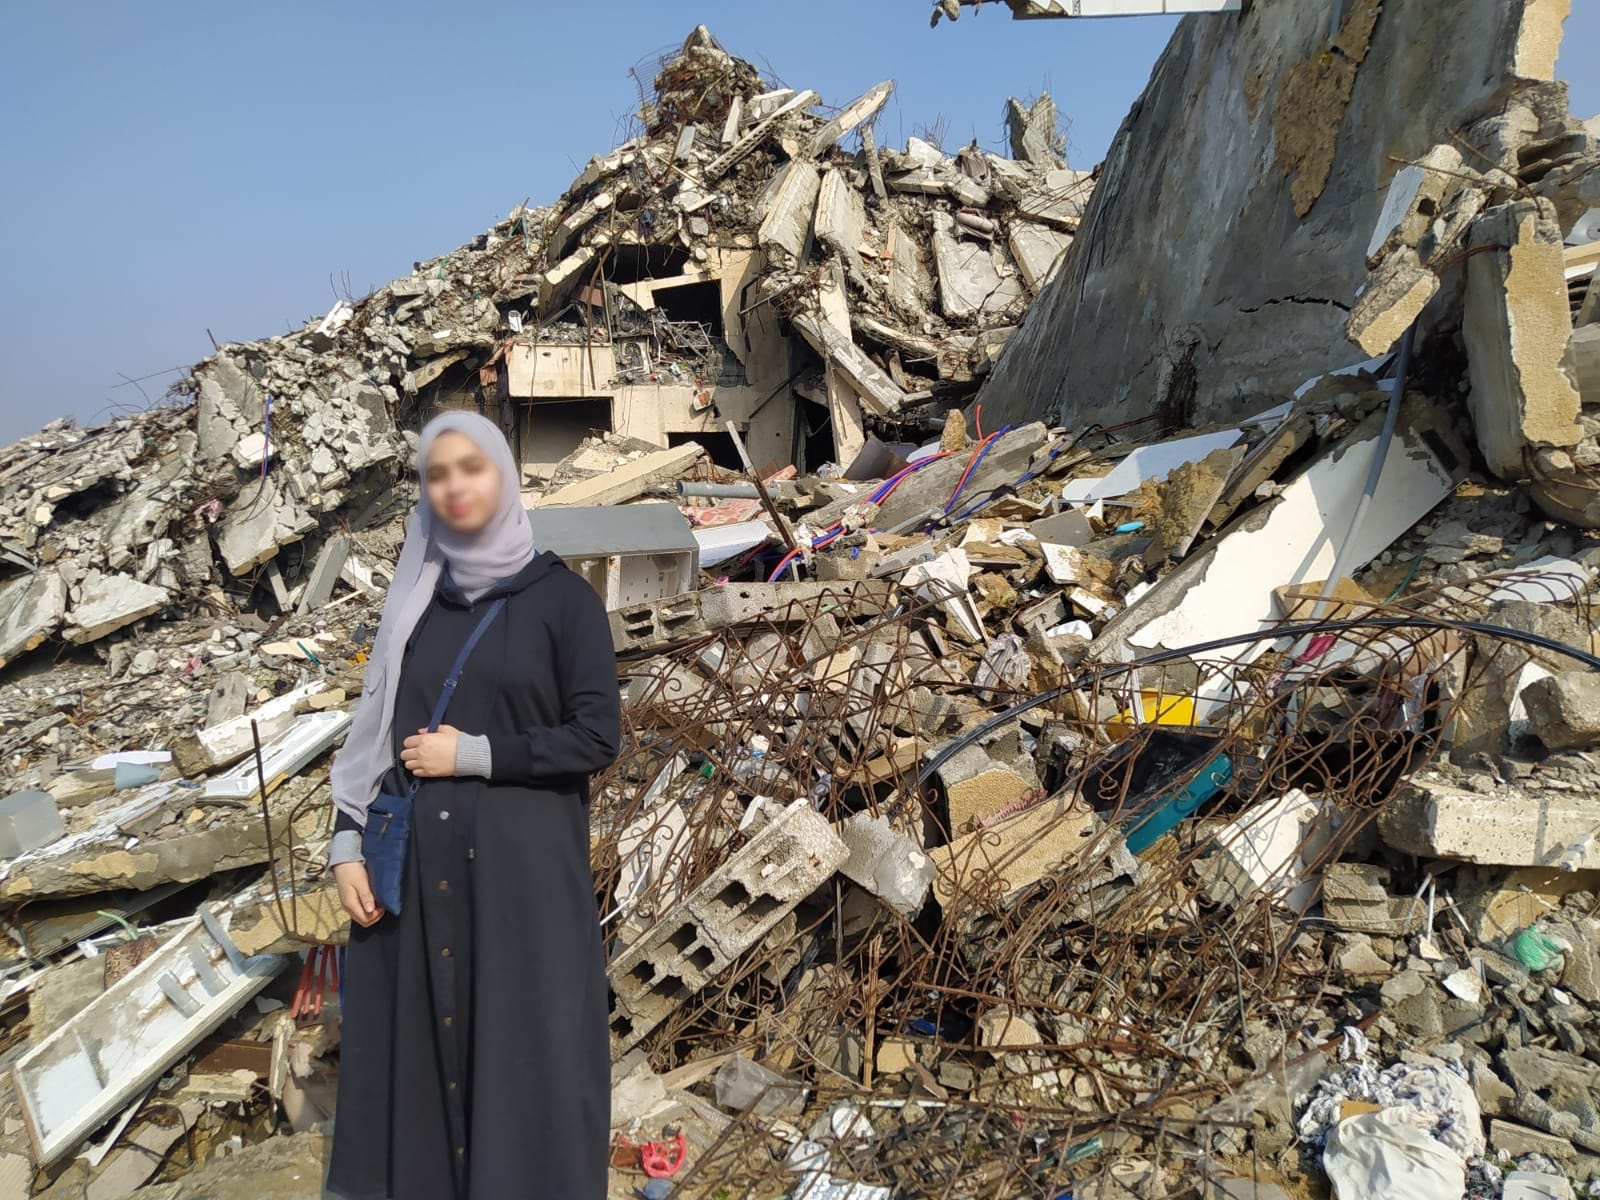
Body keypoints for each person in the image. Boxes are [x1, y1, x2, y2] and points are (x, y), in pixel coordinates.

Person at [323, 410, 621, 1200]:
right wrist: (346, 844)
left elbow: (597, 736)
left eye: (471, 467)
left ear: (503, 475)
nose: (454, 486)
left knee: (528, 1062)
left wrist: (476, 755)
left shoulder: (564, 602)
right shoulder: (417, 605)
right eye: (437, 474)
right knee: (422, 1069)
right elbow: (377, 736)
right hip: (417, 889)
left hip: (521, 893)